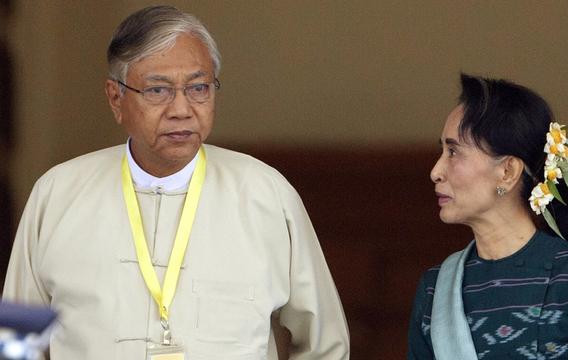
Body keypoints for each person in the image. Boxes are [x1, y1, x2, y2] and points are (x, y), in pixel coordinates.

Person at [3, 6, 349, 360]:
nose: (181, 109)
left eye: (198, 87)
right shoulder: (57, 195)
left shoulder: (266, 195)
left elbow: (324, 345)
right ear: (115, 98)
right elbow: (17, 345)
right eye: (158, 90)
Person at [407, 74, 568, 359]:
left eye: (454, 151)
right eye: (442, 150)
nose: (435, 171)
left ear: (507, 171)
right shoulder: (435, 289)